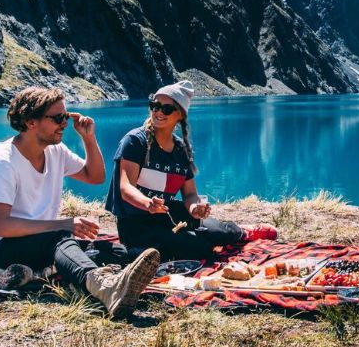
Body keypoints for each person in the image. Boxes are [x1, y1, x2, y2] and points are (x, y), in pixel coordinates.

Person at [0, 87, 160, 318]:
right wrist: (64, 224)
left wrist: (88, 137)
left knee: (116, 252)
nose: (65, 123)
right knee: (61, 238)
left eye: (66, 117)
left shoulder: (55, 151)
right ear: (30, 122)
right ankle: (105, 287)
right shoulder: (1, 163)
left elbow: (94, 176)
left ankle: (29, 273)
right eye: (58, 118)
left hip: (39, 241)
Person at [105, 80, 276, 261]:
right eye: (154, 105)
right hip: (135, 222)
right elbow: (125, 187)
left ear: (180, 115)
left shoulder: (181, 149)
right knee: (197, 248)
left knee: (218, 232)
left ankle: (242, 232)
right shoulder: (134, 141)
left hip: (168, 213)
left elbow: (189, 194)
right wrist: (148, 203)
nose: (158, 112)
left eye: (166, 109)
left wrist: (195, 208)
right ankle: (142, 250)